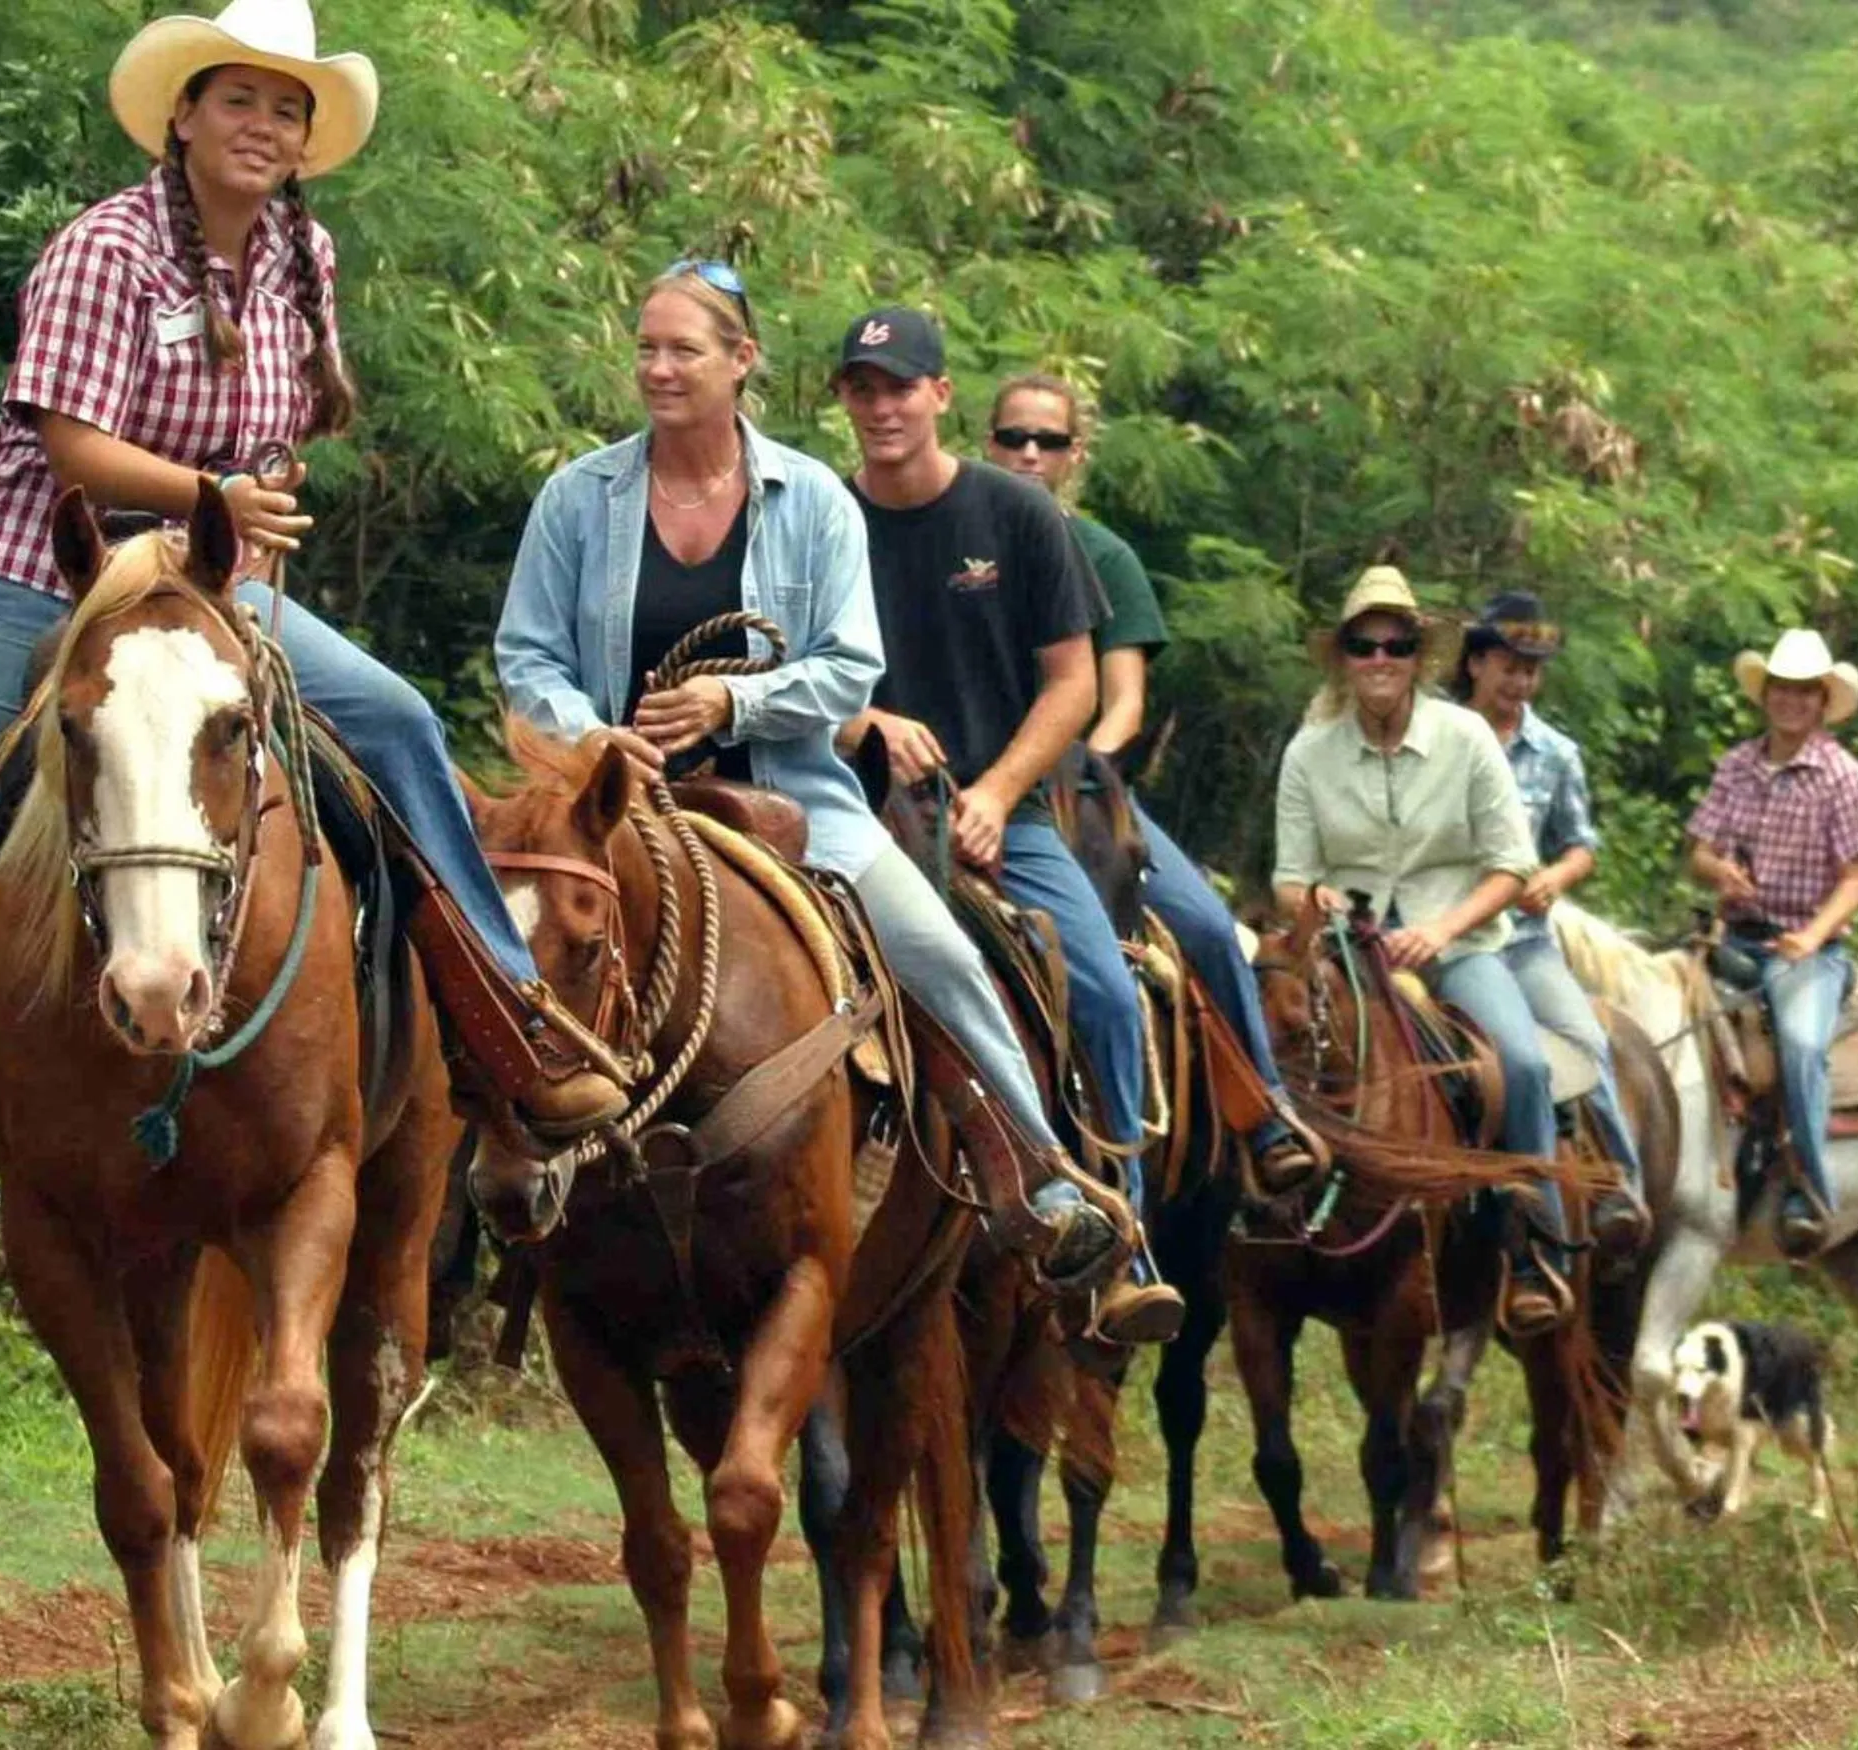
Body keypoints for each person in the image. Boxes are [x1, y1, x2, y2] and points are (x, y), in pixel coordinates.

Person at [0, 0, 624, 1247]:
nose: (262, 125)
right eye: (239, 99)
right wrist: (209, 495)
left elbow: (283, 431)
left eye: (286, 108)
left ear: (307, 141)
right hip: (41, 571)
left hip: (210, 594)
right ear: (185, 115)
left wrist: (246, 510)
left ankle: (506, 1016)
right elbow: (68, 443)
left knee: (398, 723)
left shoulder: (301, 263)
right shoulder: (105, 248)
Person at [496, 268, 1166, 1341]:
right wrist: (589, 736)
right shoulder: (579, 496)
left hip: (787, 798)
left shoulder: (811, 499)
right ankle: (469, 1216)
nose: (659, 370)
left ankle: (1041, 1184)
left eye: (684, 351)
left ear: (739, 361)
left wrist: (734, 695)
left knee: (936, 953)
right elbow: (526, 651)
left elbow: (849, 668)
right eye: (647, 349)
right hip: (611, 804)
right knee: (489, 935)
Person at [830, 308, 1184, 1342]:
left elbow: (1072, 686)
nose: (881, 406)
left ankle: (1123, 1250)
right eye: (862, 386)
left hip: (1009, 817)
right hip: (846, 812)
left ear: (941, 395)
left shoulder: (1019, 519)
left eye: (900, 385)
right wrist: (863, 720)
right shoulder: (818, 514)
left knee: (1112, 997)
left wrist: (991, 794)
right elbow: (783, 667)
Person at [983, 372, 1322, 1192]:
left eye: (1049, 441)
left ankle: (1263, 1111)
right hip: (962, 781)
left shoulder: (1105, 556)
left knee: (1204, 925)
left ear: (1076, 454)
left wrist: (1076, 771)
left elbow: (1124, 701)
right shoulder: (958, 538)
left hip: (1077, 782)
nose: (1030, 454)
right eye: (1014, 437)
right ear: (987, 442)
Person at [1270, 567, 1579, 1336]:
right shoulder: (1309, 752)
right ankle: (1255, 1220)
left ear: (1420, 657)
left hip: (1457, 946)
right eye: (1364, 645)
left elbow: (1512, 864)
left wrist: (1440, 932)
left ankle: (1535, 1247)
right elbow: (1290, 879)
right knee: (1270, 1042)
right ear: (1343, 657)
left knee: (1526, 1061)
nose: (1380, 659)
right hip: (1345, 953)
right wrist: (1320, 904)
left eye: (1396, 645)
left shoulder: (1468, 738)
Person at [1683, 629, 1858, 1258]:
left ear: (1822, 702)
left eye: (1805, 692)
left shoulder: (1840, 775)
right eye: (1782, 688)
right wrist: (1718, 872)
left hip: (1804, 946)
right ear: (1766, 694)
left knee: (1801, 1045)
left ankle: (1809, 1187)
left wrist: (1811, 936)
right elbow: (1700, 851)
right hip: (1734, 938)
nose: (1791, 701)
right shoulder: (1737, 765)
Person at [1450, 591, 1650, 1250]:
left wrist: (1555, 878)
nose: (1521, 682)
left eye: (1532, 670)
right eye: (1510, 666)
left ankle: (1618, 1184)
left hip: (1526, 942)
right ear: (1476, 664)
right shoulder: (1436, 739)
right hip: (1445, 933)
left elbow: (1581, 843)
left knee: (1585, 1044)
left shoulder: (1556, 752)